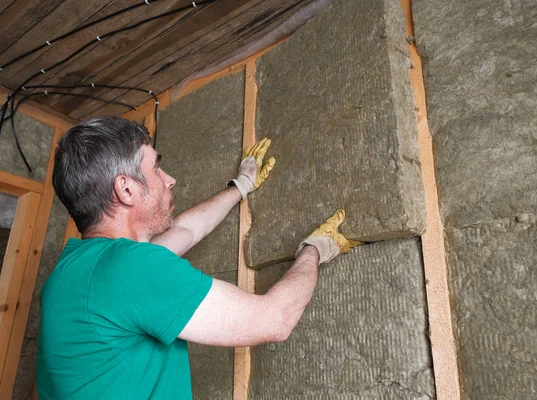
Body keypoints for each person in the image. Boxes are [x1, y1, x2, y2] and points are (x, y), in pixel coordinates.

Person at [37, 117, 360, 399]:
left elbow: (186, 232)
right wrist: (314, 249)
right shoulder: (128, 269)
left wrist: (241, 186)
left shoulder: (74, 270)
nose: (169, 179)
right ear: (126, 189)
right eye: (156, 168)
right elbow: (274, 321)